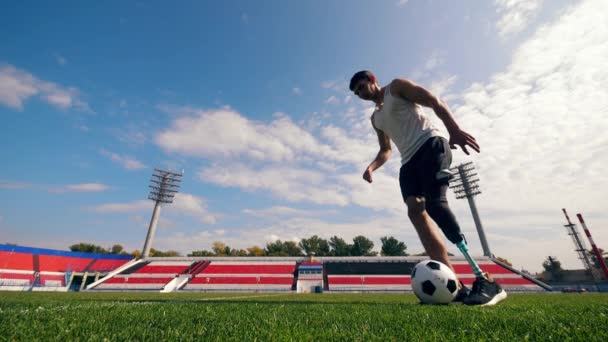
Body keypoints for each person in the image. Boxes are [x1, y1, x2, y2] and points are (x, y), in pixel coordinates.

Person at [350, 70, 507, 306]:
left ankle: (486, 280)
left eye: (362, 87)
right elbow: (386, 150)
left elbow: (435, 101)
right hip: (408, 162)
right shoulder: (376, 119)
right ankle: (454, 286)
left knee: (435, 204)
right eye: (356, 92)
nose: (361, 93)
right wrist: (371, 167)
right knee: (415, 212)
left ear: (372, 80)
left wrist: (453, 129)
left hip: (430, 145)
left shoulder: (397, 87)